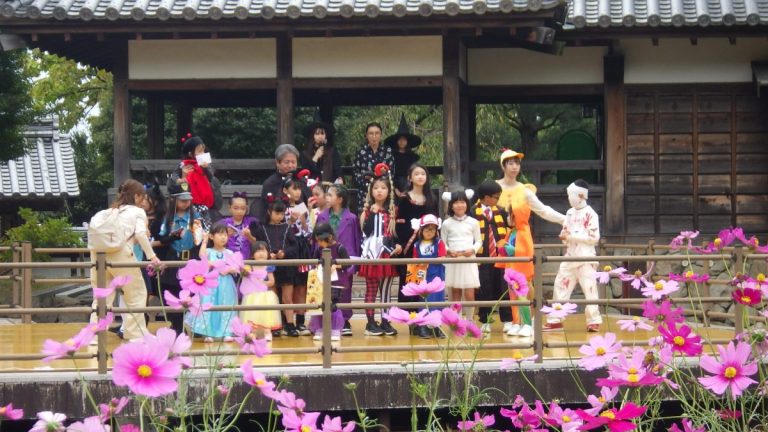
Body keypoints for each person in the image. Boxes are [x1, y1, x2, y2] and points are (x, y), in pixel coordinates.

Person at [496, 148, 565, 337]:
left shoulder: (525, 191)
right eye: (510, 163)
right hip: (505, 235)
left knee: (524, 281)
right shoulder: (495, 188)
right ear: (503, 166)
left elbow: (543, 210)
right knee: (510, 283)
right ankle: (516, 320)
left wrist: (563, 219)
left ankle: (530, 319)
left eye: (517, 163)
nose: (514, 167)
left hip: (521, 236)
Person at [89, 179, 161, 343]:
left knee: (101, 297)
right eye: (142, 197)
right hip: (121, 254)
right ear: (136, 196)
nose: (143, 201)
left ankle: (95, 336)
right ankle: (135, 334)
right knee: (136, 294)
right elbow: (141, 234)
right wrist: (152, 256)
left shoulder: (110, 211)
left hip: (99, 255)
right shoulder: (137, 212)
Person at [545, 179, 602, 332]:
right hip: (570, 255)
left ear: (581, 195)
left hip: (586, 257)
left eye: (571, 195)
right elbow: (565, 229)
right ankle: (555, 319)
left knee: (590, 289)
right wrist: (565, 236)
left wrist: (571, 236)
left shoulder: (591, 214)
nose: (569, 198)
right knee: (560, 284)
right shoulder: (569, 213)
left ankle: (593, 320)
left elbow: (594, 237)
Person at [358, 163, 402, 336]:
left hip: (387, 251)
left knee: (386, 289)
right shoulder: (367, 211)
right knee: (371, 288)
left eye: (383, 188)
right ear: (371, 191)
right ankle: (370, 323)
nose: (379, 191)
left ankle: (385, 321)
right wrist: (373, 213)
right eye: (376, 188)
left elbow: (395, 234)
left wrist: (398, 244)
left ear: (389, 191)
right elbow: (366, 231)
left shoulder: (393, 211)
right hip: (371, 252)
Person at [394, 164, 439, 328]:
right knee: (412, 282)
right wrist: (414, 232)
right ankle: (412, 321)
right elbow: (400, 223)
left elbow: (436, 221)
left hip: (428, 246)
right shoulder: (405, 199)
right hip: (410, 246)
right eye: (417, 174)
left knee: (427, 282)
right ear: (410, 178)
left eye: (423, 174)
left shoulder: (432, 198)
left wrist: (428, 234)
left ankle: (427, 320)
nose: (420, 176)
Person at [315, 184, 362, 336]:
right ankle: (325, 320)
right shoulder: (322, 216)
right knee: (325, 290)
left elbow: (356, 240)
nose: (327, 197)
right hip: (326, 256)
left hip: (344, 256)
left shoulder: (352, 218)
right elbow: (316, 238)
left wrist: (355, 263)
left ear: (340, 199)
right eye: (326, 195)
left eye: (330, 195)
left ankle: (345, 320)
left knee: (344, 290)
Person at [156, 182, 202, 334]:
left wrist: (197, 233)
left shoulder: (195, 216)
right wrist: (173, 237)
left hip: (191, 259)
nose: (185, 203)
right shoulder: (169, 218)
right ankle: (176, 325)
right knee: (172, 291)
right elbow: (162, 238)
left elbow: (199, 240)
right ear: (174, 200)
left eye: (188, 200)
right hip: (173, 259)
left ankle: (188, 325)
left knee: (190, 292)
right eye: (182, 200)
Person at [251, 198, 300, 336]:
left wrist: (284, 253)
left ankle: (290, 324)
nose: (280, 216)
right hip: (269, 266)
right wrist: (268, 255)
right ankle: (275, 325)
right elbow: (258, 246)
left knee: (287, 298)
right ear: (269, 212)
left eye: (282, 214)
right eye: (277, 213)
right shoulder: (262, 229)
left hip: (286, 266)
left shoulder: (287, 227)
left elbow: (294, 246)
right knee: (272, 297)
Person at [188, 223, 238, 342]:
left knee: (226, 304)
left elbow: (235, 268)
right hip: (210, 283)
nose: (223, 237)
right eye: (220, 234)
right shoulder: (209, 251)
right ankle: (207, 332)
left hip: (226, 283)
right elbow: (202, 257)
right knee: (208, 304)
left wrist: (227, 269)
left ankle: (227, 332)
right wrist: (204, 241)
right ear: (212, 236)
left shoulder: (229, 253)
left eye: (225, 235)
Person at [440, 189, 481, 321]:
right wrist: (448, 251)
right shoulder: (446, 223)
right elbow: (442, 242)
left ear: (467, 204)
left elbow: (479, 241)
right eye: (456, 202)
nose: (460, 205)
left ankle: (469, 320)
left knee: (469, 292)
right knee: (455, 292)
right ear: (451, 205)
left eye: (462, 202)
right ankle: (456, 320)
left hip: (469, 260)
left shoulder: (473, 222)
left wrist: (473, 250)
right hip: (454, 260)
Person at [308, 223, 352, 342]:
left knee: (333, 305)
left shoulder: (339, 248)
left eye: (321, 240)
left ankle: (335, 329)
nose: (319, 243)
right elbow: (315, 261)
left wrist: (336, 265)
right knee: (321, 304)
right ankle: (320, 329)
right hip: (321, 281)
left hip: (336, 282)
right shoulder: (319, 249)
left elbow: (348, 263)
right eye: (317, 241)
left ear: (330, 237)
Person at [408, 214, 446, 339]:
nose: (429, 232)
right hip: (422, 277)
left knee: (437, 300)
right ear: (421, 230)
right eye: (427, 229)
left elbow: (443, 257)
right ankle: (423, 326)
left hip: (437, 276)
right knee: (424, 301)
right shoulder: (416, 245)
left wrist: (429, 261)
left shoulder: (439, 243)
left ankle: (437, 326)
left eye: (432, 229)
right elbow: (414, 260)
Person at [283, 175, 312, 336]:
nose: (297, 192)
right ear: (285, 190)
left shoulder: (303, 207)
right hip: (289, 248)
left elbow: (309, 232)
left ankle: (301, 321)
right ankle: (288, 322)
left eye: (299, 188)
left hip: (303, 248)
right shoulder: (281, 208)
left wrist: (304, 221)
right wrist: (291, 222)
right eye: (294, 188)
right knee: (288, 285)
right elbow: (281, 231)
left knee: (301, 286)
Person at [168, 134, 216, 229]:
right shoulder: (183, 164)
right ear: (191, 154)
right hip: (189, 202)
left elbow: (211, 178)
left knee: (205, 227)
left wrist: (206, 168)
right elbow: (174, 177)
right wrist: (180, 179)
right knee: (190, 226)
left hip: (203, 203)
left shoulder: (204, 165)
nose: (203, 153)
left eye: (203, 151)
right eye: (200, 151)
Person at [240, 241, 280, 341]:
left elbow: (272, 282)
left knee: (266, 314)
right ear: (252, 255)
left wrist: (262, 282)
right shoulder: (250, 266)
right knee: (252, 314)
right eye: (257, 251)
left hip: (265, 295)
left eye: (263, 251)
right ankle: (253, 333)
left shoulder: (268, 266)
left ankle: (267, 332)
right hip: (252, 295)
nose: (261, 253)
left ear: (268, 253)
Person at [258, 144, 309, 220]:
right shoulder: (270, 183)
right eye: (286, 162)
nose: (290, 165)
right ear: (277, 163)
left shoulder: (301, 180)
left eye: (293, 162)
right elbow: (265, 211)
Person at [352, 122, 394, 212]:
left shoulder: (387, 150)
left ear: (381, 135)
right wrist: (367, 181)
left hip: (383, 193)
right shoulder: (360, 151)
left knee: (383, 218)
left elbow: (391, 173)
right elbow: (355, 174)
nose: (374, 136)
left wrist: (382, 175)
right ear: (366, 135)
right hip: (364, 193)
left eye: (377, 133)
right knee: (364, 217)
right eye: (371, 133)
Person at [299, 112, 343, 183]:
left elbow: (338, 169)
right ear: (312, 136)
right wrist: (315, 157)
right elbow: (305, 172)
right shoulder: (305, 153)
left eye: (322, 133)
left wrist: (340, 178)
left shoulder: (332, 151)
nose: (320, 136)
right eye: (317, 134)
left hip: (329, 185)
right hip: (312, 186)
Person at [384, 114, 421, 195]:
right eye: (399, 140)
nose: (401, 142)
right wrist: (395, 189)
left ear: (407, 141)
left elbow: (415, 172)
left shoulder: (412, 157)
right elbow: (389, 173)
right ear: (396, 141)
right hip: (393, 186)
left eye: (404, 140)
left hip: (410, 185)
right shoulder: (391, 156)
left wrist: (408, 188)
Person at [219, 192, 258, 259]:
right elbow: (217, 245)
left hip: (247, 261)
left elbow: (257, 245)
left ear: (246, 208)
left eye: (242, 208)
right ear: (229, 208)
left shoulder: (252, 222)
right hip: (228, 261)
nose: (239, 211)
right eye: (236, 208)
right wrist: (228, 236)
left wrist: (249, 236)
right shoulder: (223, 223)